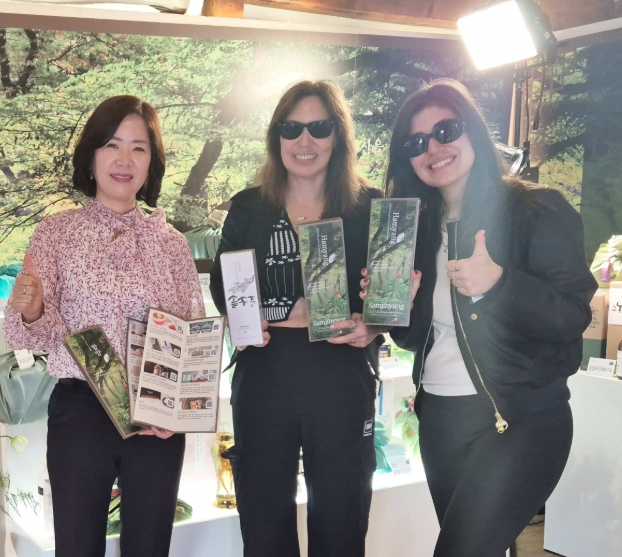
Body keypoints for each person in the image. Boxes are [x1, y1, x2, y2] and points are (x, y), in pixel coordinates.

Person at [378, 79, 596, 557]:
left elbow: (572, 315)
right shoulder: (412, 230)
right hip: (439, 418)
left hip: (520, 418)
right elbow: (415, 340)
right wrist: (399, 307)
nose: (433, 148)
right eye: (416, 143)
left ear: (472, 130)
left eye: (446, 131)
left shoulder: (536, 209)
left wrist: (499, 283)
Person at [3, 95, 205, 557]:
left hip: (154, 415)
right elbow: (35, 330)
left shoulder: (172, 243)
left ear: (151, 163)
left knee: (149, 546)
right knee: (77, 547)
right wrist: (31, 310)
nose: (124, 159)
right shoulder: (56, 233)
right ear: (91, 156)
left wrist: (176, 410)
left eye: (138, 148)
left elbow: (193, 334)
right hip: (82, 412)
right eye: (112, 144)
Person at [210, 80, 395, 557]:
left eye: (319, 127)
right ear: (277, 137)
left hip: (341, 371)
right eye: (291, 129)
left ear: (339, 136)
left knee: (341, 515)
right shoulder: (249, 207)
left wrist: (374, 324)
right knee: (263, 517)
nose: (304, 141)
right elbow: (224, 287)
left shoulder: (370, 207)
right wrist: (248, 317)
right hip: (265, 371)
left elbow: (388, 296)